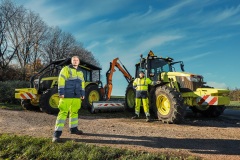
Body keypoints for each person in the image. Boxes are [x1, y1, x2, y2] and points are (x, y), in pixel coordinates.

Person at [52, 56, 85, 142]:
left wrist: (82, 93)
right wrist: (61, 92)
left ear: (79, 62)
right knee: (63, 113)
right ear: (71, 61)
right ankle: (56, 134)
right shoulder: (65, 69)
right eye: (74, 60)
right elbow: (61, 80)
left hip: (77, 96)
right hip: (67, 95)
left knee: (74, 112)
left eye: (77, 60)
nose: (75, 61)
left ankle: (73, 129)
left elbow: (82, 83)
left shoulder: (81, 72)